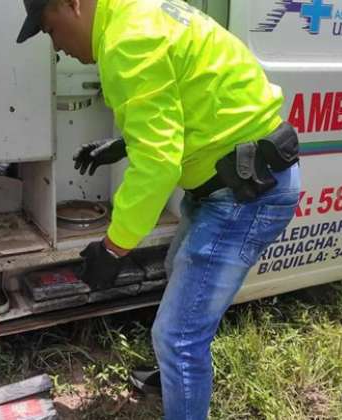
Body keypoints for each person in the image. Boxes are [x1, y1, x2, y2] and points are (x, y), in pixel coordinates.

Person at [17, 0, 301, 418]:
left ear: (72, 5)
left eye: (49, 28)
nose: (57, 46)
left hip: (244, 197)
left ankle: (179, 371)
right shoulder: (141, 10)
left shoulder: (127, 39)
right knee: (177, 275)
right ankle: (176, 376)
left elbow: (158, 163)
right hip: (229, 181)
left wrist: (114, 248)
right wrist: (123, 144)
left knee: (179, 336)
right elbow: (189, 95)